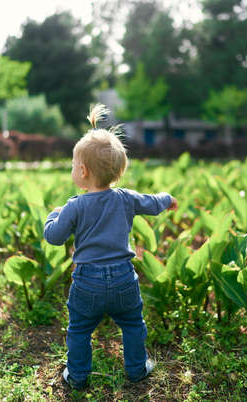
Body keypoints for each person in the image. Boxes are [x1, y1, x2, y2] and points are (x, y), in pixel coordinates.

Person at [44, 104, 177, 390]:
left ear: (81, 170)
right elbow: (152, 203)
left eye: (72, 165)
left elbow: (54, 237)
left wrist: (52, 216)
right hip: (123, 279)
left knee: (79, 329)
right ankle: (136, 368)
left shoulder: (74, 207)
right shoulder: (125, 198)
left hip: (87, 281)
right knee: (132, 324)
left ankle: (78, 376)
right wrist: (167, 198)